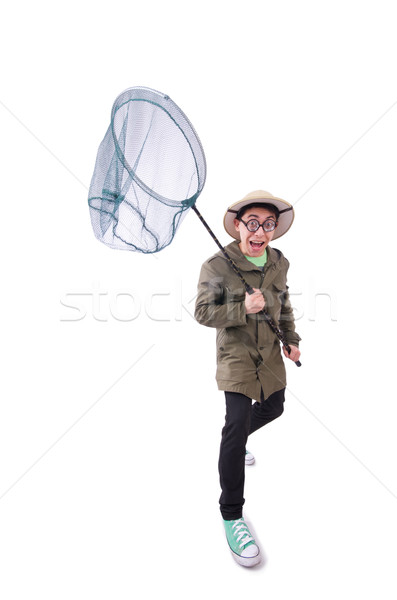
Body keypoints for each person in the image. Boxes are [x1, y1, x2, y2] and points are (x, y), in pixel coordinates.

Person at [195, 190, 301, 568]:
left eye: (267, 224)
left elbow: (283, 302)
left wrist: (291, 339)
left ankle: (238, 443)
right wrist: (243, 307)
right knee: (235, 425)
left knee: (275, 406)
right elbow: (203, 313)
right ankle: (232, 516)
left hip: (270, 354)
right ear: (238, 225)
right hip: (236, 357)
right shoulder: (217, 265)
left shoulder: (278, 262)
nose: (260, 232)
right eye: (252, 223)